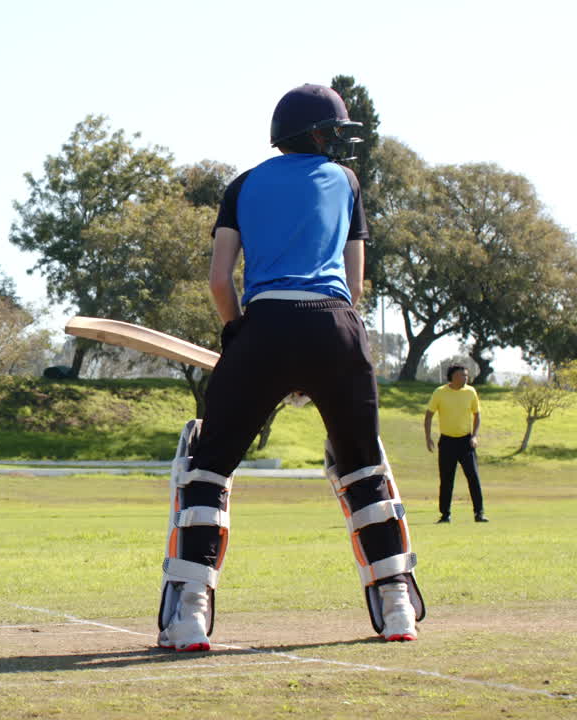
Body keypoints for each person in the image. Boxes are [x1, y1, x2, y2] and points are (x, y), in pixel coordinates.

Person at [155, 84, 425, 653]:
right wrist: (325, 358)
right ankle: (398, 604)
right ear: (320, 134)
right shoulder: (347, 183)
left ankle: (189, 614)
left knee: (208, 468)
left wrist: (240, 336)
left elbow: (218, 281)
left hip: (265, 325)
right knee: (362, 465)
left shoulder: (242, 185)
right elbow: (354, 287)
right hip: (335, 326)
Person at [424, 364, 486, 523]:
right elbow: (429, 415)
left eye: (466, 375)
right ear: (452, 377)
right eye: (461, 375)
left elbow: (477, 415)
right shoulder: (440, 392)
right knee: (446, 479)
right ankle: (445, 515)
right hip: (447, 442)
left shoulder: (470, 392)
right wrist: (428, 437)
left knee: (473, 477)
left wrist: (475, 436)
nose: (465, 378)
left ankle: (479, 513)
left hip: (466, 442)